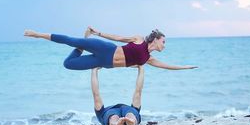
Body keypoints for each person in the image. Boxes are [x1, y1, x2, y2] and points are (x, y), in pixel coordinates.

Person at [24, 27, 198, 71]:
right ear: (157, 39)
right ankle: (37, 34)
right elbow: (118, 38)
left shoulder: (148, 59)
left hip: (103, 62)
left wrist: (185, 67)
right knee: (70, 40)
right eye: (164, 42)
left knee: (68, 64)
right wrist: (97, 32)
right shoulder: (139, 40)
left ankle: (80, 46)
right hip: (106, 49)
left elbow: (167, 66)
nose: (164, 45)